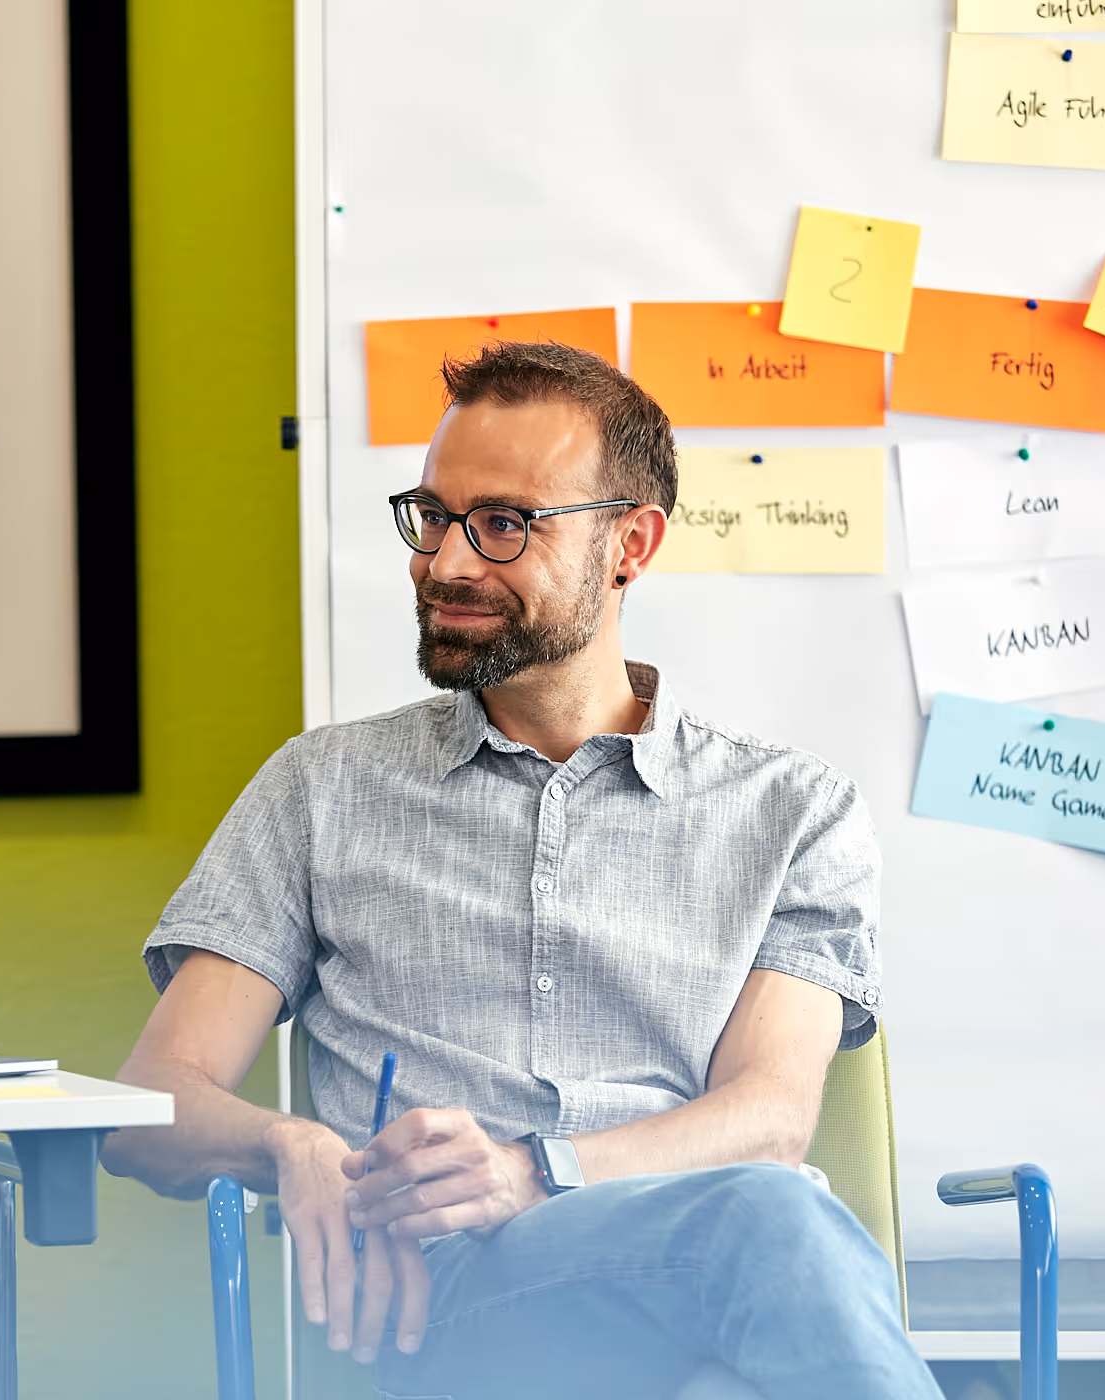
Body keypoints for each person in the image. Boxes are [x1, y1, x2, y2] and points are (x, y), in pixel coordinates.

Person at [99, 341, 941, 1398]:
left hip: (714, 1274)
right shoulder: (321, 789)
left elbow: (768, 1113)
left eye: (503, 524)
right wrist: (292, 1145)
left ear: (630, 544)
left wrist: (532, 1171)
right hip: (454, 1303)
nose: (446, 562)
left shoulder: (793, 809)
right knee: (764, 1224)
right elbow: (148, 1100)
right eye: (434, 515)